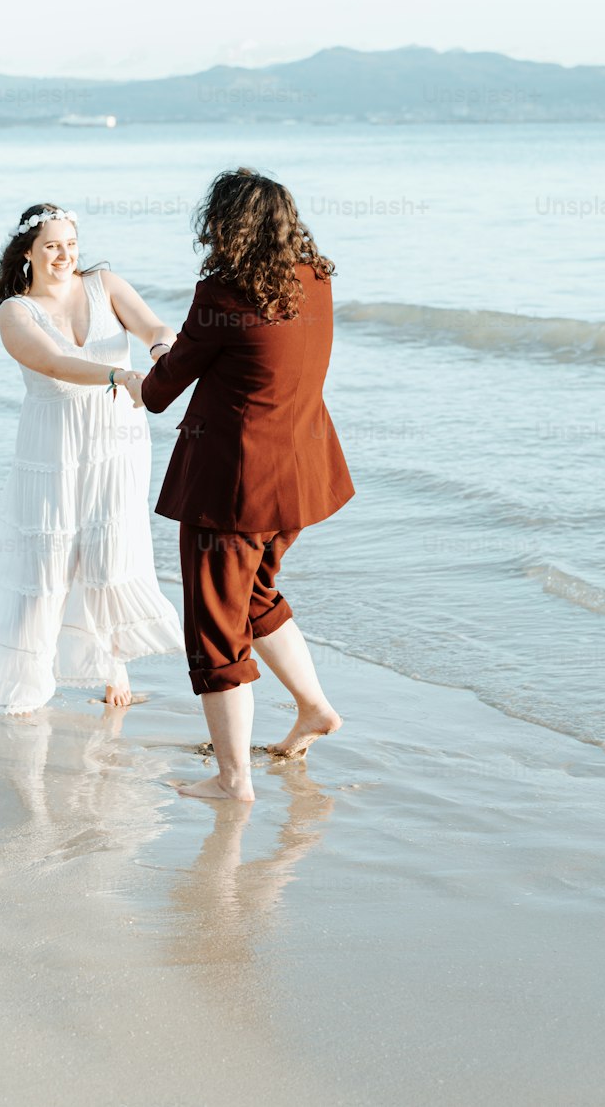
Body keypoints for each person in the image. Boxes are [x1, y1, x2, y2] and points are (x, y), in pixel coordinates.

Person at [122, 168, 355, 802]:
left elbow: (160, 393)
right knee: (255, 595)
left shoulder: (222, 294)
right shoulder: (318, 280)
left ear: (225, 225)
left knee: (216, 628)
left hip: (233, 489)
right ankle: (313, 709)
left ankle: (233, 781)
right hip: (302, 480)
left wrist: (149, 360)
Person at [0, 203, 186, 715]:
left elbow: (156, 326)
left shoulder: (104, 283)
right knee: (51, 556)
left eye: (70, 243)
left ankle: (114, 663)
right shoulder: (15, 311)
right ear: (28, 251)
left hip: (119, 438)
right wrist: (118, 376)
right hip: (54, 444)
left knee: (109, 550)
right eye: (51, 245)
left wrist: (159, 355)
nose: (64, 254)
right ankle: (27, 674)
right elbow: (54, 362)